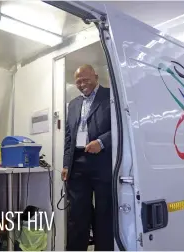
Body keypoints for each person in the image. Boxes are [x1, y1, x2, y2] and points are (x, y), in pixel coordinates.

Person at [62, 64, 113, 251]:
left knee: (104, 213)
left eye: (86, 79)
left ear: (96, 77)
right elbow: (68, 137)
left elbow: (121, 127)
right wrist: (67, 164)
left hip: (102, 162)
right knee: (77, 214)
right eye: (78, 81)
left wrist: (101, 141)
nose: (82, 84)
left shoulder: (110, 97)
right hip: (78, 162)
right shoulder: (73, 104)